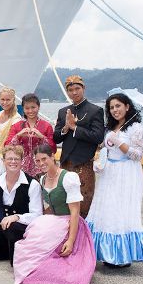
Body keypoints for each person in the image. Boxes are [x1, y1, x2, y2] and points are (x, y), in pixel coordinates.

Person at [13, 144, 96, 284]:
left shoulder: (68, 177)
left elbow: (75, 211)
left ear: (53, 156)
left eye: (44, 159)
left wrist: (70, 241)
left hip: (69, 222)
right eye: (37, 161)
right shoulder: (43, 178)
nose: (41, 163)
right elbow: (48, 209)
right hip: (53, 220)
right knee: (28, 243)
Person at [87, 93, 143, 268]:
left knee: (121, 210)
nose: (115, 110)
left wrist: (119, 143)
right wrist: (100, 161)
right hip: (109, 172)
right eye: (111, 107)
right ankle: (103, 252)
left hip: (126, 174)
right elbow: (105, 150)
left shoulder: (136, 128)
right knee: (106, 209)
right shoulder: (110, 127)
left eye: (118, 106)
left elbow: (137, 155)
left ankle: (121, 255)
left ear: (127, 106)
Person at [53, 75, 104, 218]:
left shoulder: (95, 111)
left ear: (83, 88)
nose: (74, 92)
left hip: (84, 164)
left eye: (77, 88)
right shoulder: (63, 111)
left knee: (83, 204)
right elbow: (56, 138)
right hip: (65, 164)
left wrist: (75, 128)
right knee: (63, 202)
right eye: (70, 90)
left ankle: (83, 236)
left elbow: (98, 137)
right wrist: (65, 128)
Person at [6, 93, 55, 178]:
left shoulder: (47, 126)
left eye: (33, 107)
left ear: (38, 107)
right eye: (27, 108)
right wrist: (18, 135)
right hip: (20, 168)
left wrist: (42, 137)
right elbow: (7, 146)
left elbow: (53, 149)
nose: (30, 111)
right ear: (23, 109)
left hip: (41, 168)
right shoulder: (16, 126)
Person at [0, 86, 22, 176]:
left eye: (8, 100)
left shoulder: (16, 118)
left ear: (13, 100)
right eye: (2, 99)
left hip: (8, 158)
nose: (5, 102)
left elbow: (15, 141)